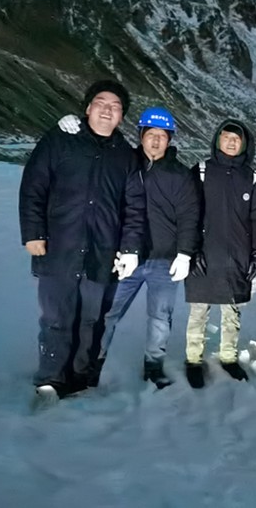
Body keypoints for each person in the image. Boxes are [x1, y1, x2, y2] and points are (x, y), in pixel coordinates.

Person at [19, 80, 145, 399]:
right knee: (57, 316)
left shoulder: (125, 156)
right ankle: (51, 378)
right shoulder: (61, 140)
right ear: (87, 108)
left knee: (91, 318)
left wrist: (130, 249)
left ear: (121, 117)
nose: (107, 110)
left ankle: (79, 378)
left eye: (115, 107)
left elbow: (134, 206)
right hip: (59, 245)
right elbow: (34, 185)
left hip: (102, 251)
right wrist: (33, 233)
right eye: (100, 103)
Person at [96, 107, 199, 388]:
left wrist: (184, 253)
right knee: (108, 312)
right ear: (141, 135)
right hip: (126, 258)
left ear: (169, 139)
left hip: (164, 261)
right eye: (150, 134)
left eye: (162, 136)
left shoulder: (180, 175)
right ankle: (92, 361)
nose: (155, 140)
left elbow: (189, 216)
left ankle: (154, 365)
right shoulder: (125, 166)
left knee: (160, 318)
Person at [183, 119, 256, 388]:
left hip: (237, 255)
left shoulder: (251, 177)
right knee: (199, 310)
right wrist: (191, 249)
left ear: (244, 144)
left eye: (237, 138)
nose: (231, 142)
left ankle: (229, 357)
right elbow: (188, 213)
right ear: (217, 140)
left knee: (232, 311)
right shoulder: (201, 171)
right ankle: (193, 360)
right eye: (226, 137)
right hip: (204, 254)